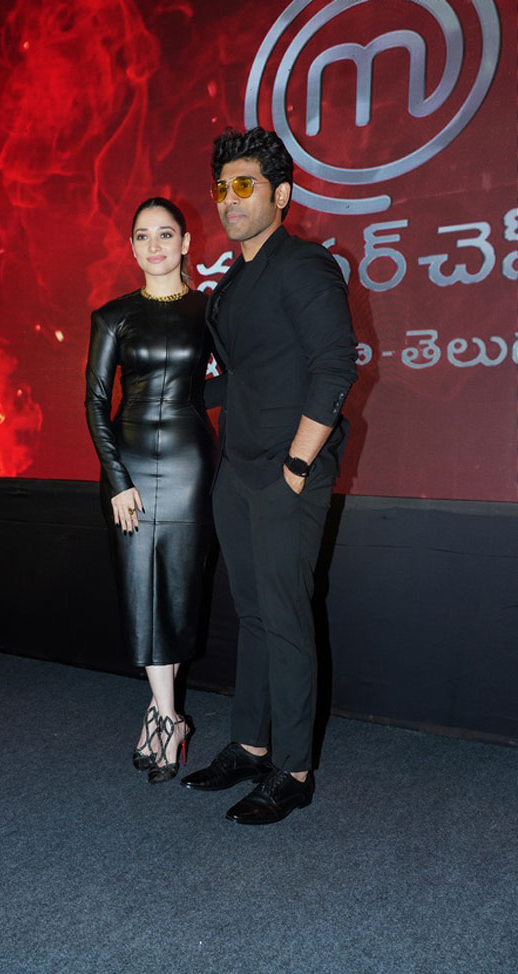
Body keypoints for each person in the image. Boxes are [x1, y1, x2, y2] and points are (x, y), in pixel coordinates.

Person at [181, 127, 358, 824]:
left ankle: (294, 769)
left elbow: (335, 366)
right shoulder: (230, 284)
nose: (229, 199)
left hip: (288, 471)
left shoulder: (304, 265)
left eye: (244, 185)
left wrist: (298, 463)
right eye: (222, 187)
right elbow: (244, 374)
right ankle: (251, 745)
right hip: (238, 470)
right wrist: (165, 402)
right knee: (253, 613)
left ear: (280, 195)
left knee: (285, 617)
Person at [85, 197, 215, 784]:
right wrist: (117, 479)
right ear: (132, 247)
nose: (154, 245)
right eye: (143, 235)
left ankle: (163, 718)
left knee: (178, 593)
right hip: (130, 465)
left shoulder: (208, 311)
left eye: (166, 234)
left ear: (185, 243)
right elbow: (94, 402)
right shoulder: (112, 315)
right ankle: (168, 717)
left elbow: (234, 379)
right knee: (142, 593)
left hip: (189, 465)